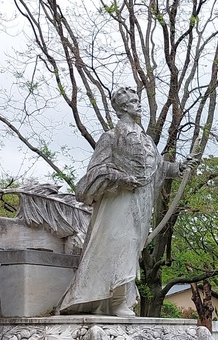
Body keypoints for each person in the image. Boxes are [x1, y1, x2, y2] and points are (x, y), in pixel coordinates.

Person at [59, 86, 193, 316]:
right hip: (117, 202)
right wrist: (121, 178)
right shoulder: (111, 138)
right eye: (132, 101)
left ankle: (112, 302)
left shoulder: (147, 141)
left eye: (137, 99)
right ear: (122, 108)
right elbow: (95, 172)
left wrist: (179, 167)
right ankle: (117, 302)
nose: (137, 104)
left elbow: (159, 168)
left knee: (131, 249)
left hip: (141, 203)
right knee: (120, 246)